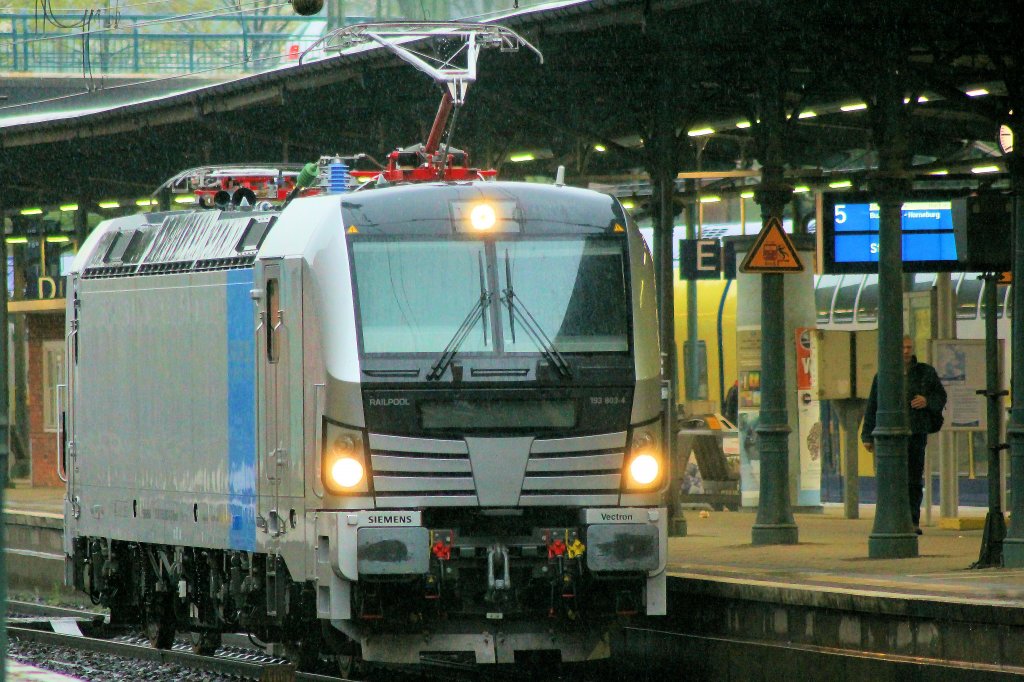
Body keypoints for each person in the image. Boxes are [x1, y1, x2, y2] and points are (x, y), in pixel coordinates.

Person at [861, 336, 947, 535]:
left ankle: (913, 520)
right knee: (892, 479)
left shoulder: (926, 372)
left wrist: (927, 401)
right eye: (903, 348)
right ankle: (894, 518)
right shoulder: (883, 375)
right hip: (890, 436)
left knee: (914, 479)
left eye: (909, 347)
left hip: (916, 432)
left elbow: (940, 396)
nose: (907, 351)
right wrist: (867, 434)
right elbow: (872, 405)